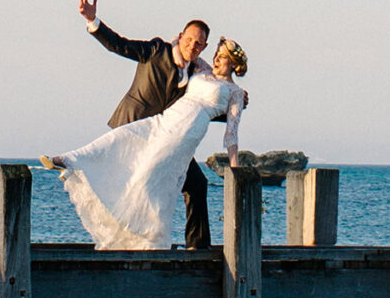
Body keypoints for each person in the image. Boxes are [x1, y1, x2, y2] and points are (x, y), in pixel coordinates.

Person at [51, 33, 250, 253]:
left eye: (222, 57)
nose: (216, 59)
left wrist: (234, 169)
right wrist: (180, 38)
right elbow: (178, 48)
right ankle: (72, 160)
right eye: (216, 54)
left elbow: (231, 134)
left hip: (187, 131)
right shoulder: (202, 70)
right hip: (165, 118)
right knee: (123, 137)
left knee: (150, 175)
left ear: (234, 63)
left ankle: (149, 235)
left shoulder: (236, 93)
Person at [75, 0, 215, 247]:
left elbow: (202, 108)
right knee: (120, 181)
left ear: (203, 48)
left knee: (197, 184)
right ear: (181, 36)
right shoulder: (156, 50)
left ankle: (198, 247)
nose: (192, 46)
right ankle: (72, 168)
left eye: (199, 44)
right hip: (132, 129)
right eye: (190, 40)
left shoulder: (197, 74)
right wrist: (92, 20)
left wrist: (235, 102)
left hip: (166, 140)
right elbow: (119, 45)